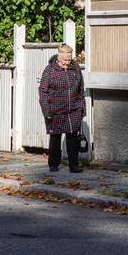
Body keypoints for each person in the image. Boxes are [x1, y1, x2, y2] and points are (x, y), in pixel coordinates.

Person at [37, 43, 85, 172]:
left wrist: (82, 108)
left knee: (73, 138)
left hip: (74, 109)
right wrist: (46, 110)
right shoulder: (50, 70)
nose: (67, 63)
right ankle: (53, 164)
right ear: (59, 57)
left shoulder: (75, 68)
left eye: (69, 60)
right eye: (65, 60)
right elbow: (43, 91)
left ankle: (74, 165)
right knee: (55, 138)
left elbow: (81, 88)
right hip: (55, 110)